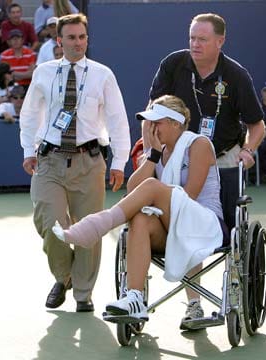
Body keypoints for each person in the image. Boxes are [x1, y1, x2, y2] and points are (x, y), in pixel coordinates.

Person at [53, 95, 227, 327]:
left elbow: (189, 197)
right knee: (140, 217)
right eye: (149, 123)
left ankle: (100, 224)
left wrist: (155, 190)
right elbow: (134, 190)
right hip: (172, 225)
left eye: (157, 122)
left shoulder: (199, 145)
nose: (151, 128)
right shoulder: (159, 151)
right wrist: (153, 155)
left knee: (153, 188)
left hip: (205, 223)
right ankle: (134, 298)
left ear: (176, 123)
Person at [19, 14, 131, 313]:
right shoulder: (43, 72)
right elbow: (30, 114)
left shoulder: (102, 74)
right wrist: (28, 150)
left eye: (82, 37)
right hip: (49, 161)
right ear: (60, 41)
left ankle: (83, 294)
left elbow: (117, 119)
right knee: (49, 223)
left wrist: (119, 161)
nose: (78, 43)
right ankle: (64, 276)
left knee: (88, 231)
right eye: (71, 38)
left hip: (89, 161)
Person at [149, 13, 265, 230]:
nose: (195, 44)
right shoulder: (173, 64)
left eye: (202, 39)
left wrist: (248, 150)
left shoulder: (237, 76)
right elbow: (152, 113)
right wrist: (150, 152)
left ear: (220, 41)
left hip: (223, 156)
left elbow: (257, 126)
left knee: (229, 220)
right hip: (176, 154)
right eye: (192, 38)